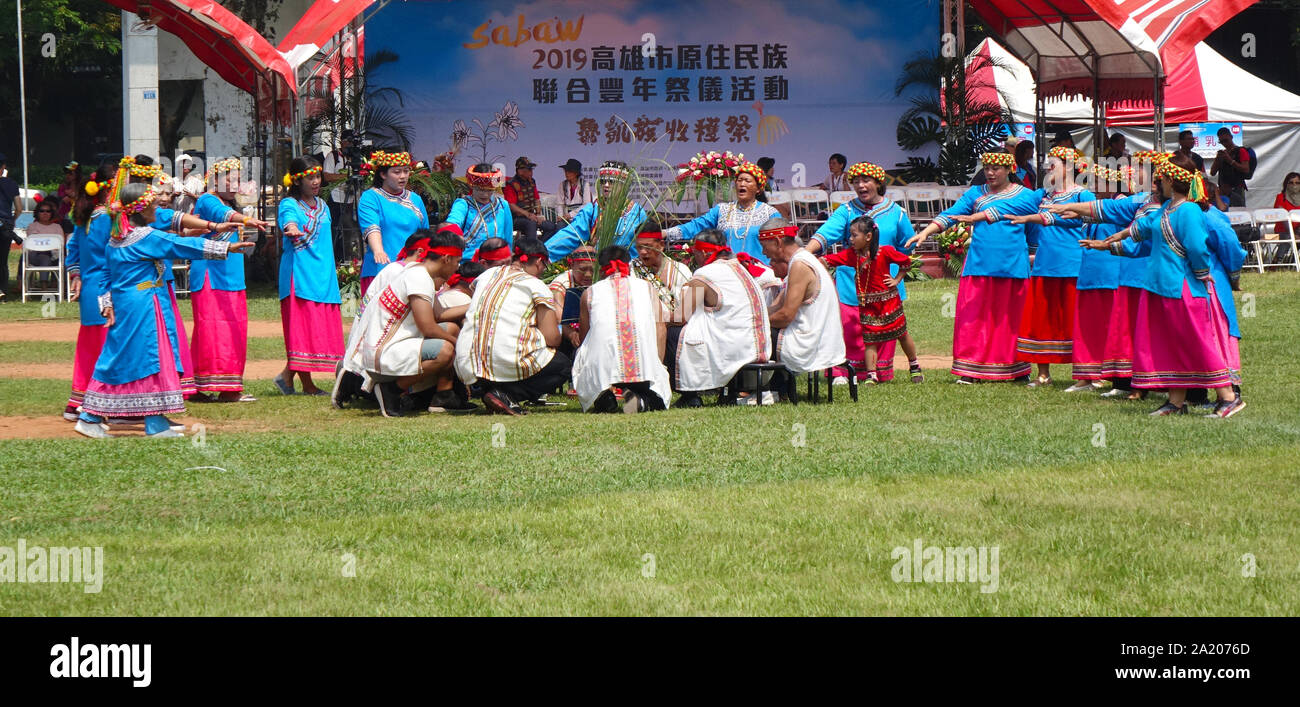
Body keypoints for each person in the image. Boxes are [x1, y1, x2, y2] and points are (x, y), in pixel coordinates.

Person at [73, 182, 255, 438]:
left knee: (129, 357)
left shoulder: (119, 238)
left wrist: (106, 304)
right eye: (153, 202)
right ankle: (96, 416)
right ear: (142, 208)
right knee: (148, 358)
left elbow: (106, 274)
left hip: (133, 303)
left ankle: (147, 418)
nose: (159, 205)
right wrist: (226, 247)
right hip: (143, 304)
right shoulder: (145, 237)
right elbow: (179, 245)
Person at [1080, 153, 1242, 417]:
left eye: (1161, 178)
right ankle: (1176, 402)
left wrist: (1202, 273)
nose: (1157, 182)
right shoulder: (1167, 209)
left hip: (1183, 288)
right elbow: (1138, 229)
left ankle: (1228, 396)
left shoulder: (1188, 210)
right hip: (1161, 286)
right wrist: (1105, 244)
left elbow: (1197, 247)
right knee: (1172, 343)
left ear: (1171, 180)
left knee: (1196, 342)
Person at [906, 152, 1041, 383]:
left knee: (1011, 320)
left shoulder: (1026, 197)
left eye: (996, 168)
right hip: (979, 265)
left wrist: (1031, 258)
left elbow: (1033, 234)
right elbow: (951, 215)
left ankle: (1017, 369)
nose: (990, 172)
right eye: (987, 167)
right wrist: (926, 231)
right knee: (973, 319)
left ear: (1009, 170)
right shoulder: (976, 193)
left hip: (1013, 268)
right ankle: (970, 370)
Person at [806, 161, 915, 383]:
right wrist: (804, 255)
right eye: (856, 182)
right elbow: (825, 234)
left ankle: (879, 373)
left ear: (878, 183)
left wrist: (894, 265)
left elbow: (907, 246)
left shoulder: (896, 212)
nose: (861, 186)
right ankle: (843, 372)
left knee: (886, 328)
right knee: (850, 327)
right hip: (852, 282)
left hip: (886, 283)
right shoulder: (846, 211)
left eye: (866, 181)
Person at [1004, 147, 1095, 387]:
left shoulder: (1082, 196)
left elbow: (1091, 221)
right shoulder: (1043, 195)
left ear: (1068, 167)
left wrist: (1046, 217)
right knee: (1042, 319)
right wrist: (984, 208)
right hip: (1045, 264)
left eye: (1052, 164)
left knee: (1077, 320)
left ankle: (1085, 375)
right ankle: (1043, 374)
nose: (1047, 168)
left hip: (1073, 265)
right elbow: (1015, 205)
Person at [354, 227, 465, 417]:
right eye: (457, 261)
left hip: (386, 348)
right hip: (382, 354)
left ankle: (444, 394)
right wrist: (460, 345)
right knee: (446, 350)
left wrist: (475, 306)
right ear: (446, 258)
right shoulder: (419, 278)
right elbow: (428, 327)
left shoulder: (419, 272)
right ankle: (392, 390)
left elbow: (439, 315)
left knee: (452, 329)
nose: (458, 267)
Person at [454, 236, 570, 415]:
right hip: (505, 360)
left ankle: (492, 392)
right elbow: (552, 337)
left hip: (468, 362)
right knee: (562, 365)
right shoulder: (535, 285)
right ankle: (507, 394)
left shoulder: (485, 275)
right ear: (539, 261)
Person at [188, 157, 270, 402]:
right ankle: (209, 387)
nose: (235, 185)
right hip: (210, 277)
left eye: (237, 180)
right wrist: (246, 219)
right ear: (214, 180)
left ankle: (227, 387)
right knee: (213, 331)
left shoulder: (225, 203)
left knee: (232, 329)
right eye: (229, 179)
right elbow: (223, 214)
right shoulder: (208, 200)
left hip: (229, 277)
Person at [669, 228, 772, 407]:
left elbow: (680, 316)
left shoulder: (705, 274)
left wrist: (659, 315)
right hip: (759, 345)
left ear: (703, 252)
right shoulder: (741, 267)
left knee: (674, 333)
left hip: (735, 347)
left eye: (695, 254)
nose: (695, 259)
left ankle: (689, 395)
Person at [816, 215, 921, 384]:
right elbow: (829, 260)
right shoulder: (852, 255)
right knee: (870, 340)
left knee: (901, 334)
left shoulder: (885, 251)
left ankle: (914, 366)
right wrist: (816, 263)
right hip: (868, 305)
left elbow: (905, 262)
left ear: (868, 236)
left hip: (889, 302)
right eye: (850, 235)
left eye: (854, 235)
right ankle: (872, 375)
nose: (850, 239)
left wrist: (897, 279)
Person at [572, 245, 671, 413]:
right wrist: (657, 364)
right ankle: (641, 398)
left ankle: (602, 396)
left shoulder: (590, 293)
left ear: (601, 270)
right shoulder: (647, 288)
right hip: (642, 366)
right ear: (628, 265)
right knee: (652, 388)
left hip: (604, 369)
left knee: (585, 354)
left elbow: (585, 336)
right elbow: (660, 329)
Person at [275, 156, 344, 396]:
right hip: (299, 273)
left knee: (316, 326)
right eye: (309, 178)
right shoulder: (289, 204)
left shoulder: (323, 206)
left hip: (323, 272)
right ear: (297, 181)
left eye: (317, 176)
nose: (315, 182)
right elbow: (289, 220)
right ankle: (306, 384)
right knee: (301, 327)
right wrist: (292, 227)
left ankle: (287, 377)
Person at [63, 161, 118, 419]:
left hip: (89, 290)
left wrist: (76, 275)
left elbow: (73, 250)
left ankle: (79, 400)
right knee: (107, 346)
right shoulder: (110, 218)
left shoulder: (84, 215)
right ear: (112, 185)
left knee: (89, 346)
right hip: (108, 288)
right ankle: (103, 403)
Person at [758, 218, 846, 377]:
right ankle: (774, 388)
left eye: (764, 247)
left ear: (778, 242)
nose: (763, 253)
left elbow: (785, 316)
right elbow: (778, 307)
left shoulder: (799, 264)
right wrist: (755, 315)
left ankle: (757, 390)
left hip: (808, 344)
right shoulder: (804, 258)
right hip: (819, 340)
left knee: (751, 334)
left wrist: (755, 322)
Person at [663, 161, 780, 261]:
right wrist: (665, 233)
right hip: (728, 274)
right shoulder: (722, 210)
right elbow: (696, 225)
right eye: (739, 180)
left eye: (747, 181)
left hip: (759, 277)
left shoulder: (769, 213)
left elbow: (783, 244)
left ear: (758, 188)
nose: (742, 184)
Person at [357, 150, 429, 296]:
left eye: (406, 171)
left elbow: (425, 234)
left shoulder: (415, 199)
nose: (403, 176)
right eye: (397, 172)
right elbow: (372, 227)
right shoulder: (371, 197)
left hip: (412, 269)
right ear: (383, 174)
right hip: (381, 268)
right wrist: (378, 251)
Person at [545, 161, 647, 262]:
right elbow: (571, 235)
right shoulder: (593, 209)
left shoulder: (637, 213)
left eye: (611, 181)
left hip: (629, 269)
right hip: (599, 268)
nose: (606, 185)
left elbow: (645, 245)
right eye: (603, 181)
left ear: (624, 185)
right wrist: (542, 254)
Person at [447, 163, 513, 260]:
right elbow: (453, 222)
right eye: (480, 190)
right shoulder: (463, 204)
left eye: (489, 190)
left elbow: (508, 236)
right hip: (468, 262)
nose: (485, 195)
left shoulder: (503, 206)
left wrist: (508, 258)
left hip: (496, 261)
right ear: (472, 186)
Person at [630, 221, 693, 319]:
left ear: (661, 245)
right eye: (639, 247)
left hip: (675, 330)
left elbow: (689, 310)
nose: (642, 252)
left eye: (648, 247)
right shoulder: (630, 269)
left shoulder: (681, 271)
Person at [504, 156, 559, 240]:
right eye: (529, 169)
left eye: (531, 169)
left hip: (531, 216)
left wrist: (538, 214)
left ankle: (541, 247)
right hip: (516, 218)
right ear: (520, 171)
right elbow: (511, 205)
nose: (531, 172)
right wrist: (528, 214)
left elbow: (537, 199)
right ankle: (531, 250)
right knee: (531, 224)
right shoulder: (511, 184)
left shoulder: (532, 181)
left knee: (551, 227)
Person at [1210, 127, 1251, 207]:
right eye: (1221, 141)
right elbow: (1212, 173)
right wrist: (1217, 160)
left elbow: (1246, 169)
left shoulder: (1241, 151)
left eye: (1226, 140)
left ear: (1231, 137)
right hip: (1223, 190)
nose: (1224, 143)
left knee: (1239, 212)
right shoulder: (1222, 154)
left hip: (1237, 188)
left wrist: (1230, 161)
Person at [0, 153, 22, 295]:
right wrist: (13, 220)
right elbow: (19, 208)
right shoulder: (12, 184)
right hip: (6, 225)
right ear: (3, 166)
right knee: (3, 260)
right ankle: (2, 289)